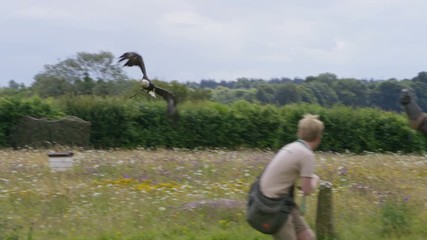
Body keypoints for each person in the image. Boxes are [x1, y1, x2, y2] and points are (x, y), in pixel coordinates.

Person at [259, 114, 324, 240]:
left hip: (276, 201)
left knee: (308, 237)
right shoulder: (307, 155)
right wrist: (315, 180)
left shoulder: (290, 147)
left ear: (299, 133)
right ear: (318, 137)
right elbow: (306, 190)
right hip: (274, 206)